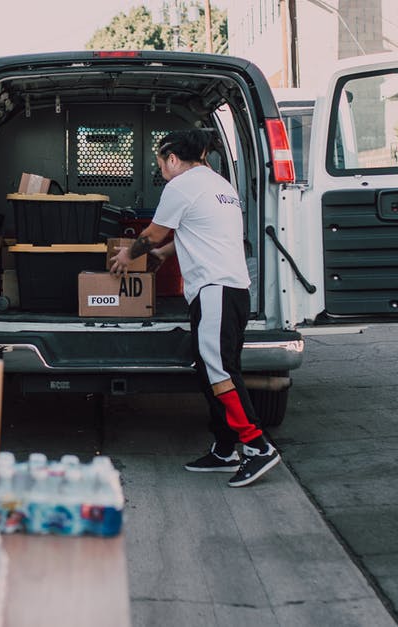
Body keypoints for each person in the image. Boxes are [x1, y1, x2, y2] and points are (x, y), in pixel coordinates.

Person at [111, 129, 281, 488]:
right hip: (232, 291)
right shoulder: (219, 186)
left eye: (161, 164)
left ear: (172, 158)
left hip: (214, 290)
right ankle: (224, 448)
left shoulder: (181, 185)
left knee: (219, 373)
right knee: (212, 371)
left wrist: (129, 254)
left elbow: (154, 233)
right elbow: (197, 233)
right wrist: (162, 254)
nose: (162, 171)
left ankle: (257, 446)